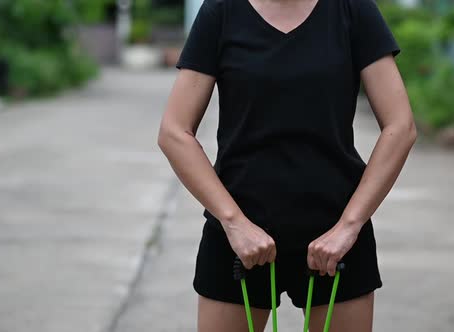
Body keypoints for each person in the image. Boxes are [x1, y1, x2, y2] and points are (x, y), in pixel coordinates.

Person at [157, 0, 416, 330]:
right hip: (238, 237)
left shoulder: (352, 8)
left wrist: (349, 227)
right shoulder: (222, 10)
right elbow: (174, 132)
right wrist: (234, 222)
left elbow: (400, 127)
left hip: (336, 238)